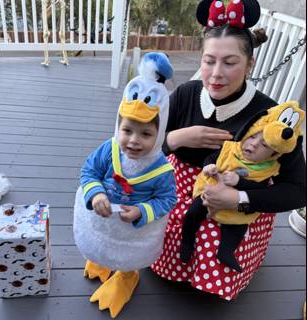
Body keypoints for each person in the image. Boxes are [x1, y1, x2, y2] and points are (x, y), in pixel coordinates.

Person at [151, 0, 306, 301]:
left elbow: (299, 189)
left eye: (230, 62)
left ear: (250, 65)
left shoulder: (269, 115)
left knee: (216, 230)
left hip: (239, 200)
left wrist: (240, 198)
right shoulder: (185, 94)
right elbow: (138, 144)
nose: (216, 74)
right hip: (179, 189)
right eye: (209, 61)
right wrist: (179, 137)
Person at [73, 52, 177, 318]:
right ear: (118, 125)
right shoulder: (109, 149)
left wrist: (142, 211)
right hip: (102, 217)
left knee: (126, 257)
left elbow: (167, 199)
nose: (133, 141)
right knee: (100, 245)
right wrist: (95, 193)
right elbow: (90, 171)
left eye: (145, 134)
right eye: (127, 130)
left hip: (133, 231)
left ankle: (126, 277)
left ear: (159, 132)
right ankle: (99, 261)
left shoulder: (162, 169)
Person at [179, 101, 305, 272]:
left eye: (264, 145)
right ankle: (186, 240)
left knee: (237, 227)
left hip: (238, 207)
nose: (253, 144)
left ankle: (226, 251)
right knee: (193, 212)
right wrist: (209, 166)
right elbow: (211, 158)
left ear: (274, 154)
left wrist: (239, 183)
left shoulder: (267, 169)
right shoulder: (231, 148)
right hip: (209, 193)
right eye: (252, 136)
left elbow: (258, 189)